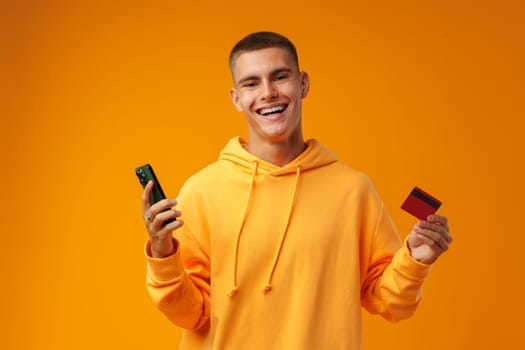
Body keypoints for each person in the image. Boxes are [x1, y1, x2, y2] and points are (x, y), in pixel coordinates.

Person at [141, 31, 452, 350]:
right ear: (236, 98)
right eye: (251, 83)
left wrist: (416, 259)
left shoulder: (352, 191)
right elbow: (189, 315)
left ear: (303, 83)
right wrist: (163, 254)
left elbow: (391, 302)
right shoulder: (201, 192)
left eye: (279, 77)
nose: (268, 93)